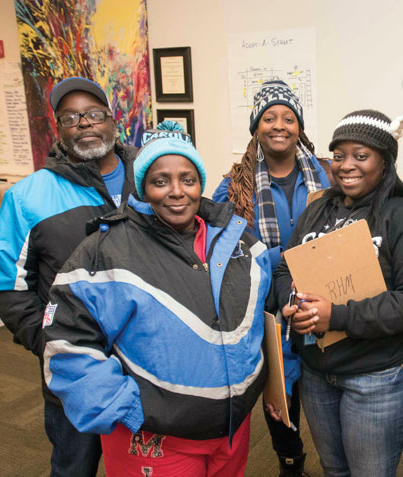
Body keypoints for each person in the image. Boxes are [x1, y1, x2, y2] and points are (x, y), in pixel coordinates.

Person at [40, 121, 272, 476]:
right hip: (154, 439)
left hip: (231, 431)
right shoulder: (106, 251)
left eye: (188, 179)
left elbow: (263, 312)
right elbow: (66, 341)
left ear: (200, 183)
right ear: (144, 188)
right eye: (161, 181)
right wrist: (124, 409)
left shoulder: (236, 241)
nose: (177, 191)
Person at [0, 77, 137, 476]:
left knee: (148, 465)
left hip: (147, 359)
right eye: (70, 117)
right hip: (74, 369)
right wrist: (47, 340)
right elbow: (3, 285)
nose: (84, 123)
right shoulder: (28, 196)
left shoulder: (150, 176)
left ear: (112, 119)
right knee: (74, 466)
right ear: (59, 129)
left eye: (93, 114)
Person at [273, 110, 403, 476]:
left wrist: (336, 316)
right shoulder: (317, 210)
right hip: (318, 373)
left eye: (360, 155)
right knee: (334, 470)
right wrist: (293, 302)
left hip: (377, 376)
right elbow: (285, 269)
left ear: (384, 162)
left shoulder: (402, 216)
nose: (346, 165)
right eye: (339, 155)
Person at [213, 79, 331, 476]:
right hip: (266, 310)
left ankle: (335, 460)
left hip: (322, 300)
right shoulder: (233, 188)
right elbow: (225, 255)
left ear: (299, 126)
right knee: (280, 394)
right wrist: (288, 256)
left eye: (288, 118)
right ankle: (290, 462)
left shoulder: (327, 176)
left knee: (324, 389)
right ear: (256, 127)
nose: (279, 125)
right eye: (269, 117)